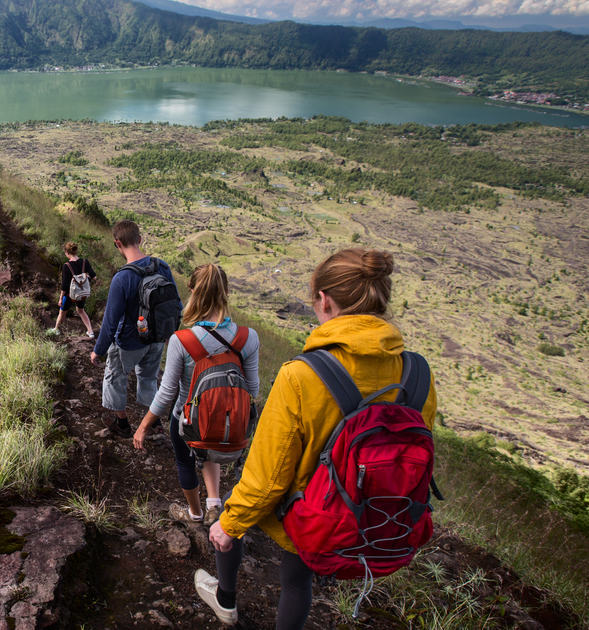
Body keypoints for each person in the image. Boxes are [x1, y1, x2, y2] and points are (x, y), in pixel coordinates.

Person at [196, 248, 438, 628]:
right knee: (297, 578)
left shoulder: (302, 375)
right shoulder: (417, 374)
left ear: (324, 300)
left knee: (232, 507)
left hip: (312, 513)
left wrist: (230, 525)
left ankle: (225, 600)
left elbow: (268, 476)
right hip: (375, 516)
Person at [132, 263, 259, 526]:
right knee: (212, 445)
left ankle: (195, 513)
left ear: (192, 291)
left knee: (186, 462)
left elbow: (167, 393)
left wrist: (143, 426)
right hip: (227, 421)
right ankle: (215, 503)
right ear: (226, 291)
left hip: (187, 420)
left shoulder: (182, 339)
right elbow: (253, 390)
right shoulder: (249, 338)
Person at [90, 220, 177, 438]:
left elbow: (110, 323)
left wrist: (98, 350)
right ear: (139, 239)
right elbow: (176, 306)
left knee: (115, 376)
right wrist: (168, 334)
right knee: (148, 378)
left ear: (117, 243)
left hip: (129, 342)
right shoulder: (162, 267)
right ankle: (153, 424)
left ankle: (122, 424)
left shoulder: (122, 278)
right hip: (157, 340)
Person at [54, 241, 97, 338]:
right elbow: (94, 277)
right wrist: (85, 278)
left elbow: (65, 285)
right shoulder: (85, 262)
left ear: (67, 252)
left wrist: (61, 298)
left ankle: (56, 329)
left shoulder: (66, 266)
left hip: (70, 294)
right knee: (81, 311)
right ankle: (90, 331)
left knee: (62, 312)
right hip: (82, 292)